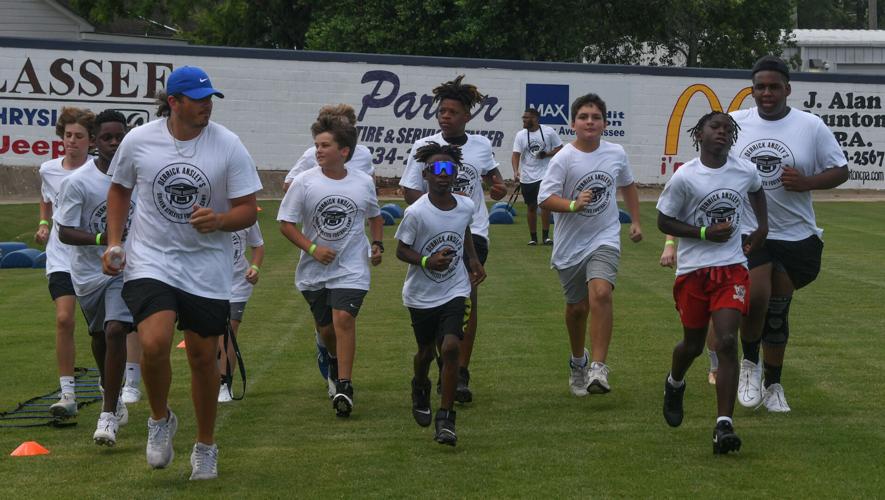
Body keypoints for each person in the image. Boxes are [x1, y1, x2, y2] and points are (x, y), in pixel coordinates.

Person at [103, 66, 262, 480]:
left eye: (210, 98)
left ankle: (205, 445)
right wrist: (114, 241)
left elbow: (248, 208)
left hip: (206, 265)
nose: (207, 105)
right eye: (198, 98)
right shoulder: (140, 140)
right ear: (174, 102)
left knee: (202, 356)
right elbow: (119, 189)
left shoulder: (228, 145)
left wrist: (221, 221)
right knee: (154, 343)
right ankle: (160, 419)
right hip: (151, 259)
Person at [732, 56, 849, 412]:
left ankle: (774, 385)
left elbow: (840, 170)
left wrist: (807, 182)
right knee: (755, 300)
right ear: (751, 90)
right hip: (751, 231)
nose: (766, 93)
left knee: (778, 313)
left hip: (797, 234)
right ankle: (749, 366)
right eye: (760, 87)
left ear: (787, 89)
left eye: (773, 86)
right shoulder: (736, 122)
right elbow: (714, 161)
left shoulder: (809, 125)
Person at [656, 111, 768, 454]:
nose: (722, 132)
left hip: (731, 267)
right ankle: (675, 383)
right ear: (699, 135)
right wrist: (704, 232)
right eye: (714, 127)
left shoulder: (743, 169)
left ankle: (723, 425)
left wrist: (762, 228)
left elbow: (757, 191)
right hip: (693, 271)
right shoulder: (686, 177)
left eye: (727, 129)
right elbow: (663, 220)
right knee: (691, 345)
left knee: (726, 340)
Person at [400, 75, 507, 404]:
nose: (445, 116)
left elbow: (494, 179)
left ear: (467, 117)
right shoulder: (424, 148)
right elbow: (408, 190)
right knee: (437, 304)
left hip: (473, 232)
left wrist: (498, 187)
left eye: (452, 111)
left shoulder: (481, 145)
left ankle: (460, 370)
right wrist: (440, 203)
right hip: (433, 235)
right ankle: (438, 362)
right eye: (441, 111)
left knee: (466, 299)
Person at [278, 112, 383, 418]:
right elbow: (285, 224)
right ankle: (333, 362)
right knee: (326, 329)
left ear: (344, 151)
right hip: (314, 270)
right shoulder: (303, 182)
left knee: (344, 320)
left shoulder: (363, 182)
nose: (317, 151)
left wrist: (377, 245)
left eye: (324, 145)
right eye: (316, 145)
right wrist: (312, 248)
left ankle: (345, 385)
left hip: (352, 267)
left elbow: (375, 217)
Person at [538, 93, 642, 397]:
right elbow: (545, 198)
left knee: (601, 292)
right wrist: (573, 205)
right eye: (584, 117)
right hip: (570, 244)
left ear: (605, 124)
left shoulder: (616, 153)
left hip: (604, 236)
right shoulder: (564, 158)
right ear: (573, 123)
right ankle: (578, 362)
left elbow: (628, 185)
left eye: (596, 117)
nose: (590, 122)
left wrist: (635, 221)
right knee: (576, 308)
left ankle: (598, 367)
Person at [395, 142, 486, 446]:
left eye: (449, 168)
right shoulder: (416, 212)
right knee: (424, 352)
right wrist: (426, 261)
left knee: (449, 348)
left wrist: (472, 260)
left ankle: (445, 418)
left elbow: (464, 231)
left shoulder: (465, 206)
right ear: (426, 174)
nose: (444, 174)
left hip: (454, 289)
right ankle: (420, 385)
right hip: (421, 294)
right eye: (438, 168)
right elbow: (401, 250)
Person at [54, 109, 134, 446]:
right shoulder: (79, 182)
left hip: (126, 272)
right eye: (107, 138)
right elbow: (65, 232)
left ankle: (107, 415)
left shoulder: (135, 176)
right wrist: (105, 240)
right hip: (88, 275)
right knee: (100, 337)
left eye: (120, 137)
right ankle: (110, 388)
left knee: (117, 330)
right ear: (96, 141)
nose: (115, 143)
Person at [36, 106, 94, 417]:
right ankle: (67, 393)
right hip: (60, 257)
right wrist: (44, 223)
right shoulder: (48, 169)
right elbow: (46, 198)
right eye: (68, 135)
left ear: (90, 141)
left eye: (79, 137)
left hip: (92, 257)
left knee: (104, 329)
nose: (72, 141)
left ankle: (115, 388)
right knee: (63, 319)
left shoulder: (99, 170)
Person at [660, 236, 720, 385]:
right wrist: (669, 244)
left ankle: (718, 367)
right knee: (693, 345)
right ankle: (674, 382)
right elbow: (669, 216)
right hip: (693, 264)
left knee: (722, 316)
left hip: (728, 259)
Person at [218, 222, 265, 403]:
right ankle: (211, 380)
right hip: (208, 282)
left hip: (238, 284)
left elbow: (258, 246)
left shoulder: (247, 215)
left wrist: (255, 268)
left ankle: (225, 382)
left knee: (230, 328)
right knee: (212, 335)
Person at [282, 104, 374, 192]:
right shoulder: (313, 153)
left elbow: (370, 178)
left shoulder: (364, 153)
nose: (343, 132)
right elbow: (288, 184)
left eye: (346, 127)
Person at [511, 107, 563, 245]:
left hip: (545, 174)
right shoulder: (520, 135)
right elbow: (516, 154)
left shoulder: (548, 131)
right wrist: (516, 171)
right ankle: (533, 238)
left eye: (526, 118)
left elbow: (560, 148)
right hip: (527, 176)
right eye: (523, 118)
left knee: (545, 205)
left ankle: (546, 236)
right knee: (531, 207)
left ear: (535, 118)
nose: (524, 120)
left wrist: (546, 154)